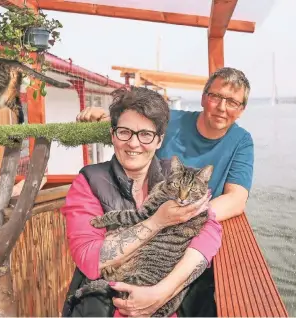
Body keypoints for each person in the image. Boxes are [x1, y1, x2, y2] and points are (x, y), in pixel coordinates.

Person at [76, 67, 254, 316]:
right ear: (204, 97)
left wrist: (185, 213)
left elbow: (236, 199)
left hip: (186, 230)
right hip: (144, 215)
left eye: (233, 102)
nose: (223, 107)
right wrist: (107, 116)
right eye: (216, 97)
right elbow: (139, 124)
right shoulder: (175, 120)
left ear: (242, 109)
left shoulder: (241, 140)